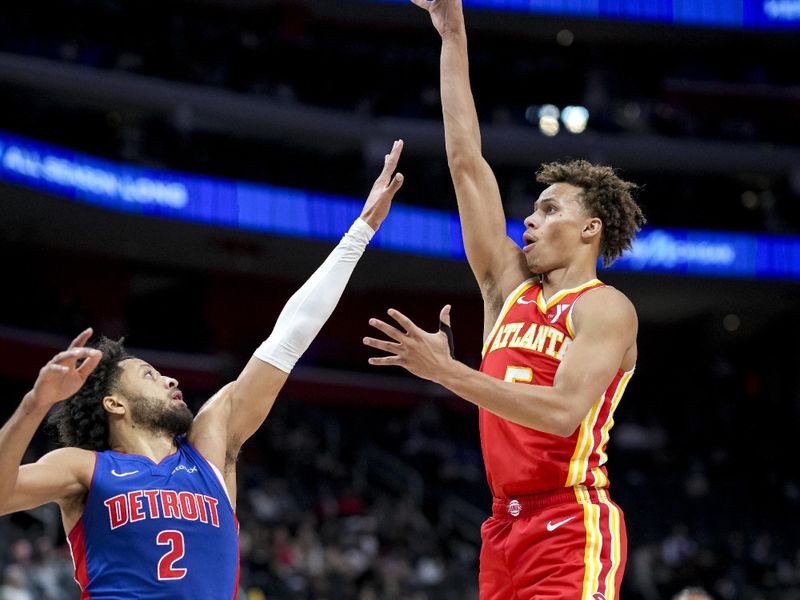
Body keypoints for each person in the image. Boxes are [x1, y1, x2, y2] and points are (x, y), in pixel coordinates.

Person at [0, 140, 406, 599]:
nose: (171, 379)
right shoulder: (84, 468)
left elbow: (287, 337)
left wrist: (361, 231)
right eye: (149, 375)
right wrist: (34, 405)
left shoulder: (209, 448)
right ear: (113, 403)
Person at [363, 3, 646, 599]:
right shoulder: (507, 287)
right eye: (533, 208)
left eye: (549, 209)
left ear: (591, 228)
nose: (529, 219)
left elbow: (561, 412)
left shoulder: (606, 308)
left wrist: (448, 372)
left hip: (571, 521)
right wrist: (452, 31)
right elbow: (466, 163)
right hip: (502, 526)